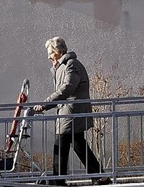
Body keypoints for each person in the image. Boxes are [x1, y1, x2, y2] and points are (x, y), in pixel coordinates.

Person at [33, 37, 110, 185]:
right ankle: (98, 176)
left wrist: (45, 104)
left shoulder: (71, 65)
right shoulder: (63, 66)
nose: (48, 57)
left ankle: (59, 180)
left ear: (59, 51)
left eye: (50, 53)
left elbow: (67, 88)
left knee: (62, 144)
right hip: (68, 112)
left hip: (72, 112)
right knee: (76, 144)